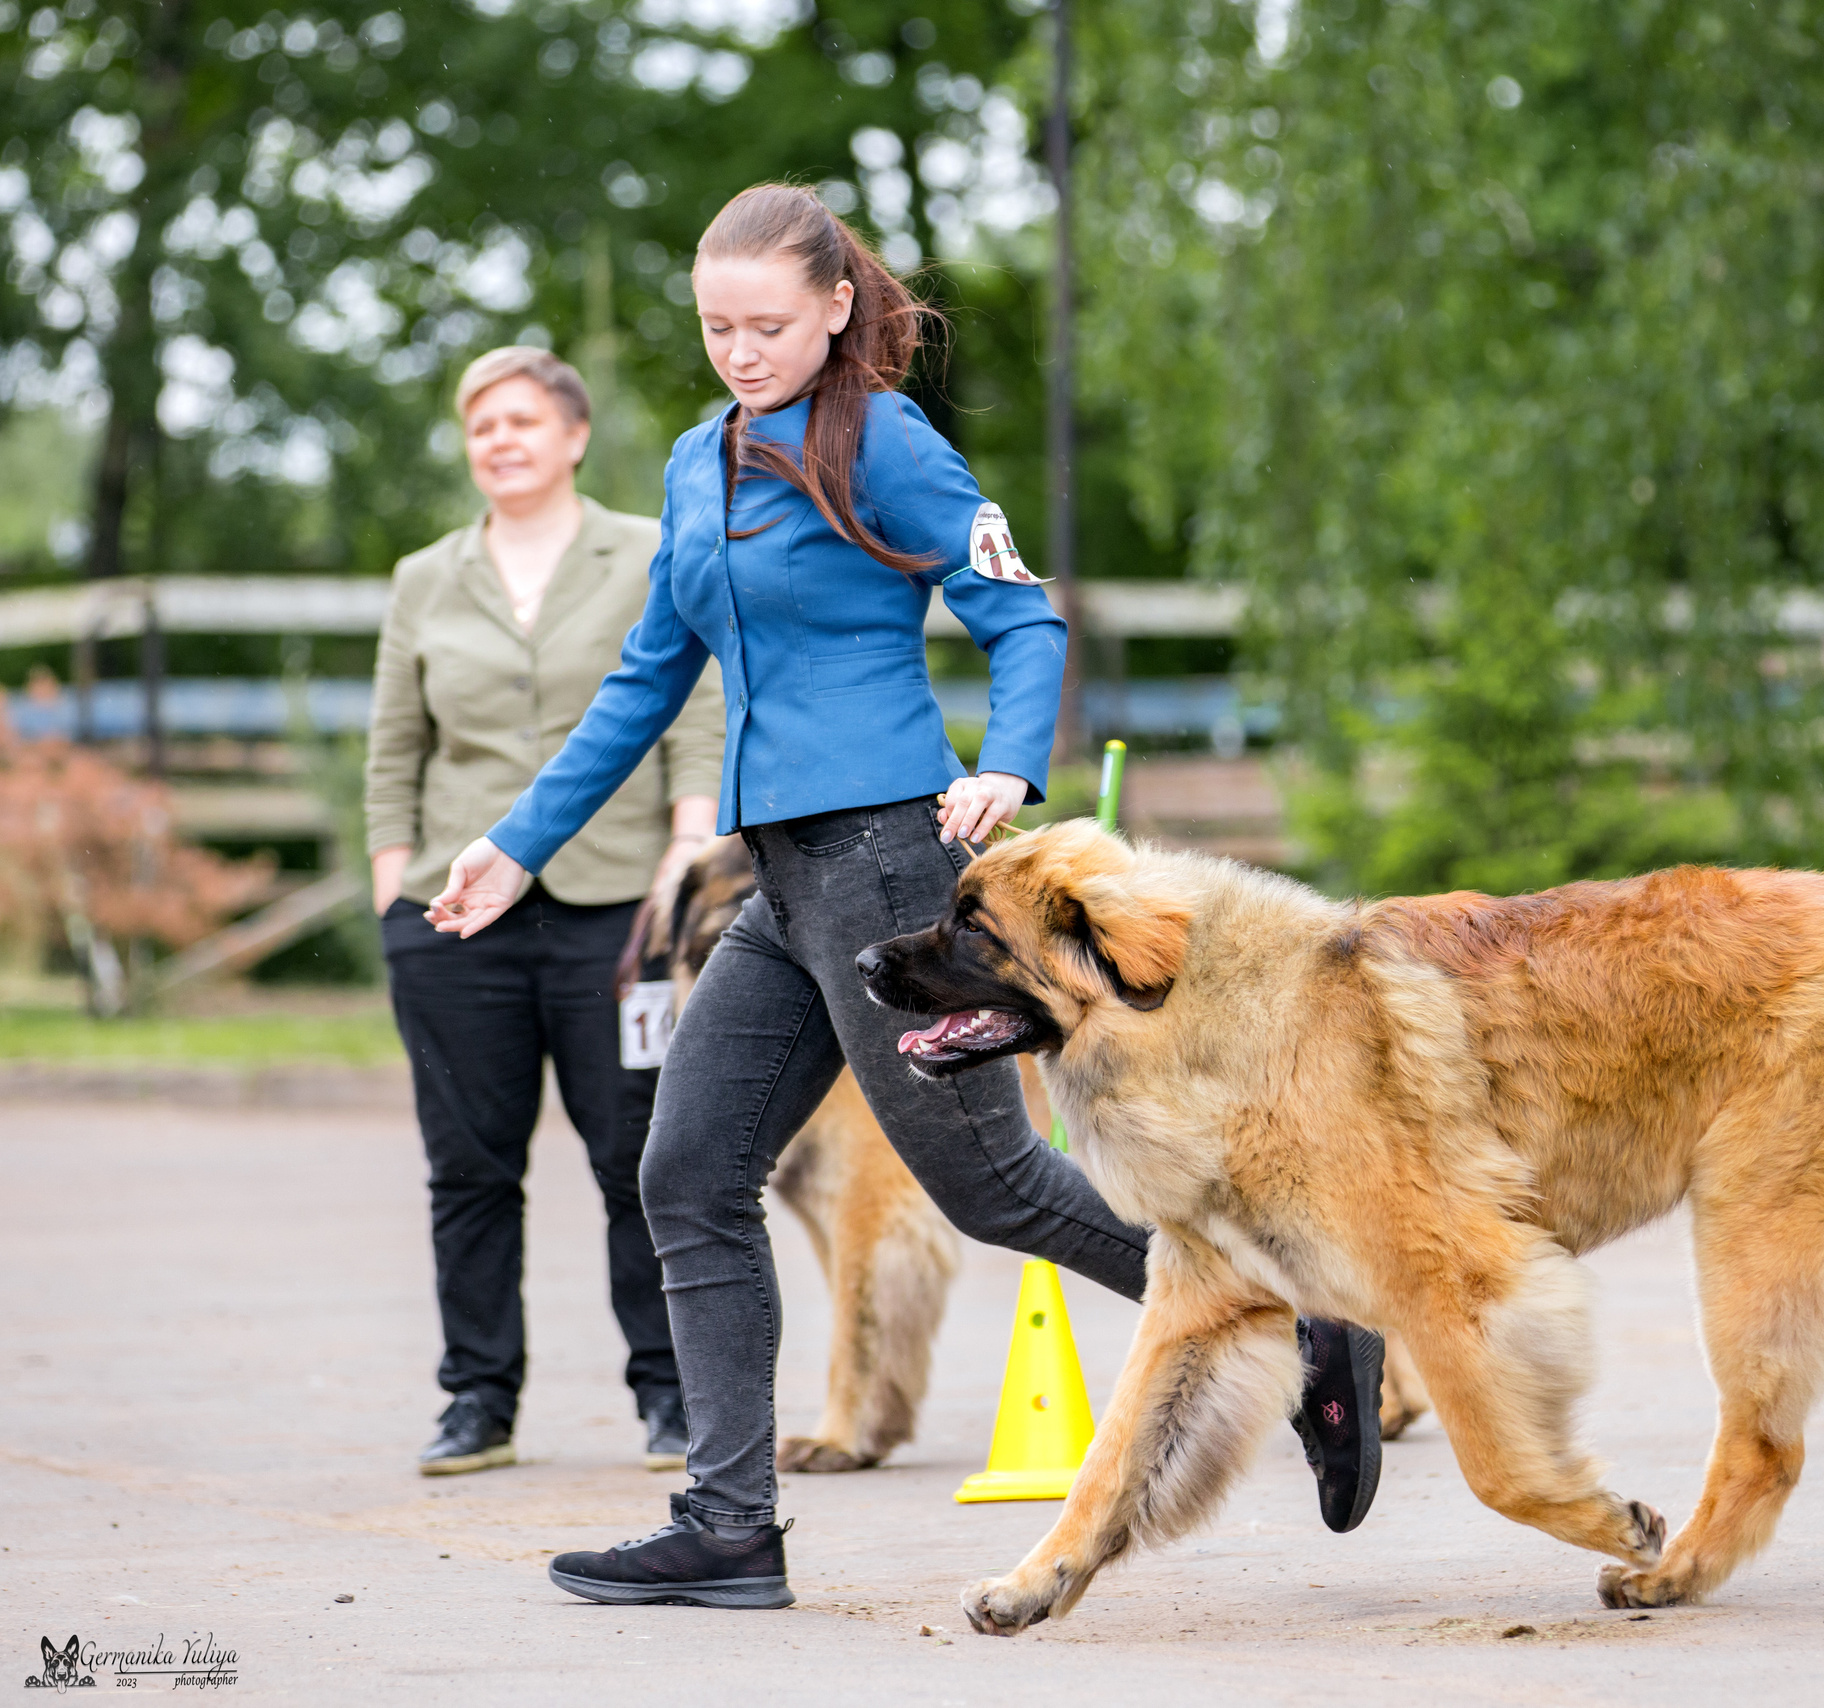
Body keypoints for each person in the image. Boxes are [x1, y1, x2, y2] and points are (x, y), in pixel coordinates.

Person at [425, 184, 1384, 1611]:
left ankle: (1307, 1314)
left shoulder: (885, 440)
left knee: (992, 1189)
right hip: (782, 879)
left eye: (767, 324)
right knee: (688, 1173)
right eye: (715, 327)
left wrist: (1006, 767)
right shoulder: (699, 461)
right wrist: (515, 843)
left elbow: (1019, 606)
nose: (740, 351)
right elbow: (644, 682)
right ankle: (731, 1526)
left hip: (890, 861)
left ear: (829, 309)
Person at [365, 346, 723, 1479]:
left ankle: (671, 1395)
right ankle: (478, 1399)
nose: (502, 440)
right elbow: (394, 747)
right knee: (469, 1166)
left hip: (619, 906)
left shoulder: (647, 552)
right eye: (483, 426)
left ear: (573, 436)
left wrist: (687, 849)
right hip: (454, 913)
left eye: (524, 420)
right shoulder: (426, 576)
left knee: (641, 1157)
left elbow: (694, 702)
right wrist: (394, 886)